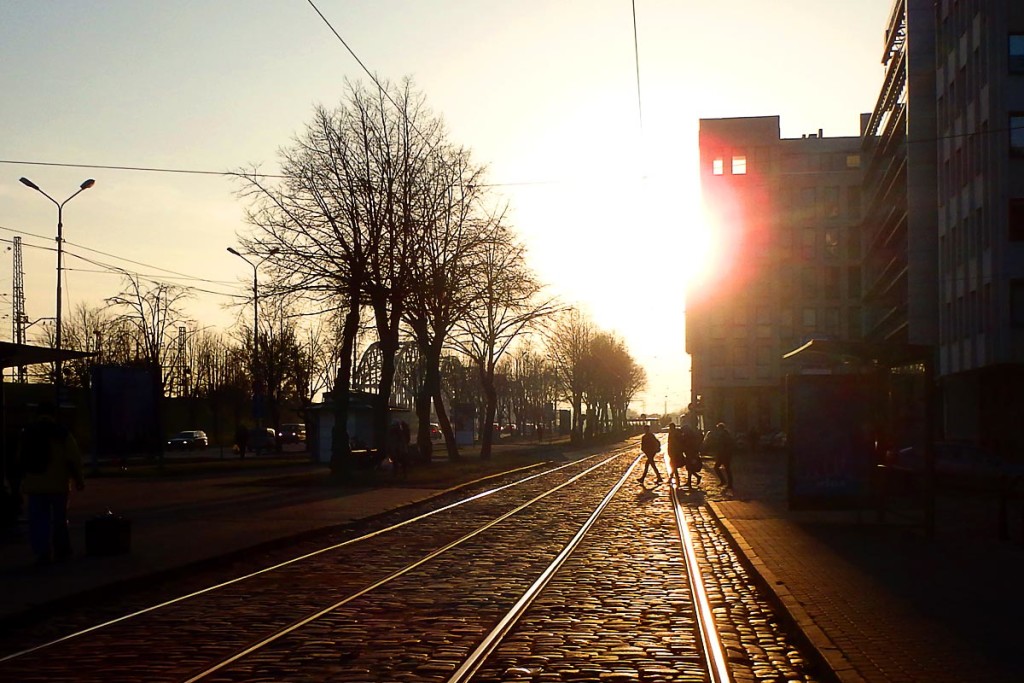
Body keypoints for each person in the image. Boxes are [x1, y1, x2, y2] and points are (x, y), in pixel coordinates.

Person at [17, 401, 85, 566]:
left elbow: (20, 458)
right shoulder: (62, 433)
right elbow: (73, 458)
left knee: (38, 520)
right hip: (58, 485)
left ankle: (42, 552)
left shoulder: (28, 433)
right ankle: (61, 551)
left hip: (34, 485)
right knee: (59, 520)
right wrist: (78, 480)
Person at [702, 421, 736, 490]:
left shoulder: (724, 435)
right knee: (720, 468)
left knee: (726, 469)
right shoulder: (724, 435)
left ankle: (729, 483)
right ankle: (725, 481)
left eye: (718, 428)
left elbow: (725, 445)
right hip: (723, 455)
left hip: (725, 455)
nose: (717, 430)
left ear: (721, 428)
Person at [681, 423, 704, 488]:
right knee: (689, 468)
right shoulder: (688, 436)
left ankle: (695, 478)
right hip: (689, 454)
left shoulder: (689, 436)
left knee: (690, 468)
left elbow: (690, 445)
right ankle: (690, 481)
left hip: (692, 454)